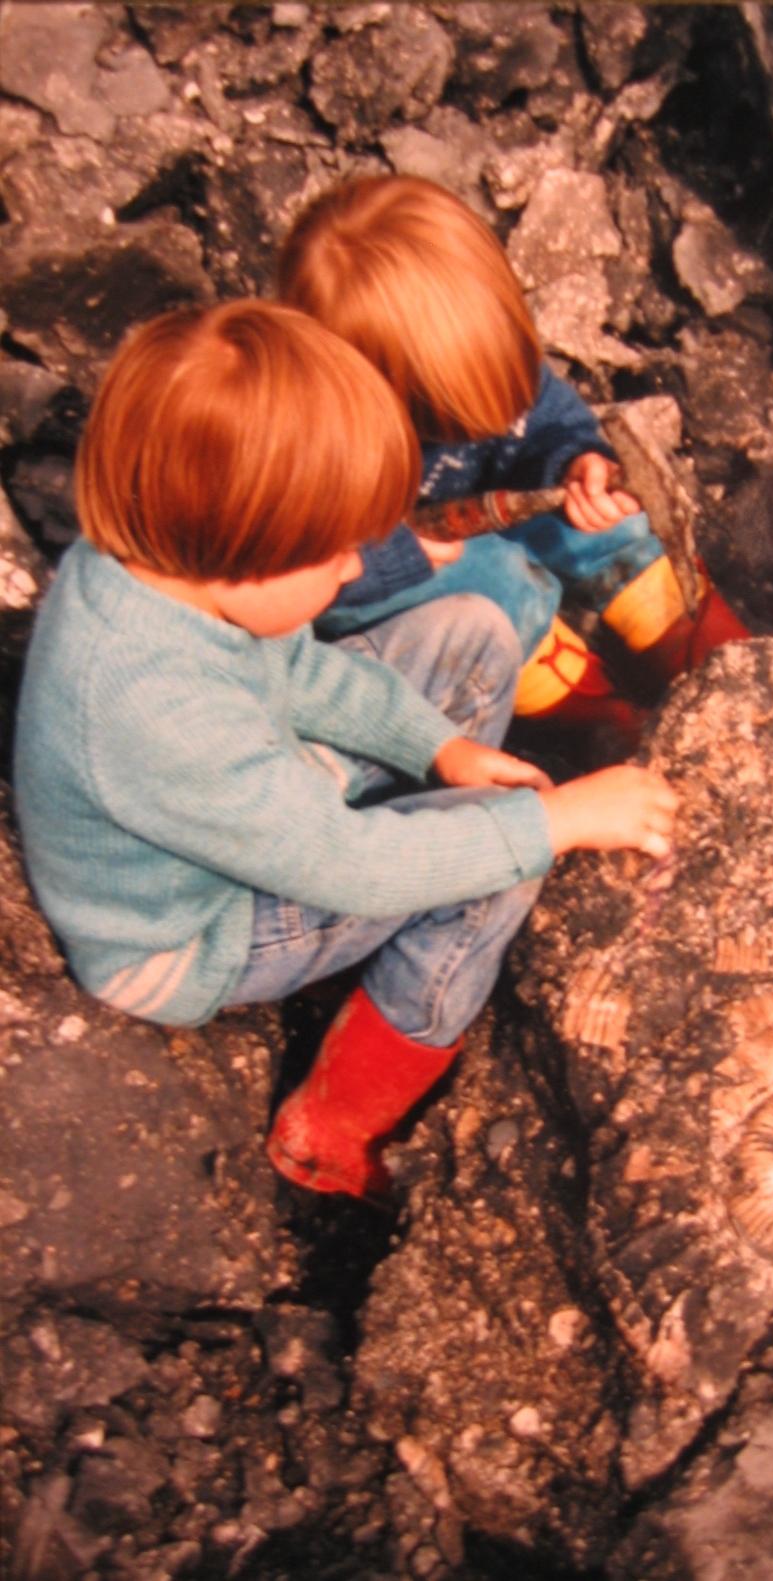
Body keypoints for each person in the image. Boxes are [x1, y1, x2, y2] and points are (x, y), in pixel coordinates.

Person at [12, 300, 678, 1201]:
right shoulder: (152, 705)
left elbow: (290, 669)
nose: (358, 571)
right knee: (496, 858)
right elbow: (346, 863)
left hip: (254, 803)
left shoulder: (157, 552)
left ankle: (413, 897)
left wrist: (436, 748)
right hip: (194, 931)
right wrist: (551, 820)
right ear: (243, 559)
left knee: (473, 629)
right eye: (332, 554)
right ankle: (335, 1125)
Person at [276, 173, 749, 748]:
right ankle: (586, 706)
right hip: (395, 563)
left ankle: (677, 626)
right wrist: (392, 559)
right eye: (448, 421)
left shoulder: (481, 349)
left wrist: (575, 464)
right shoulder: (305, 442)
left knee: (614, 510)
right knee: (492, 583)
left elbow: (549, 421)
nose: (490, 421)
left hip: (491, 508)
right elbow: (290, 577)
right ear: (360, 388)